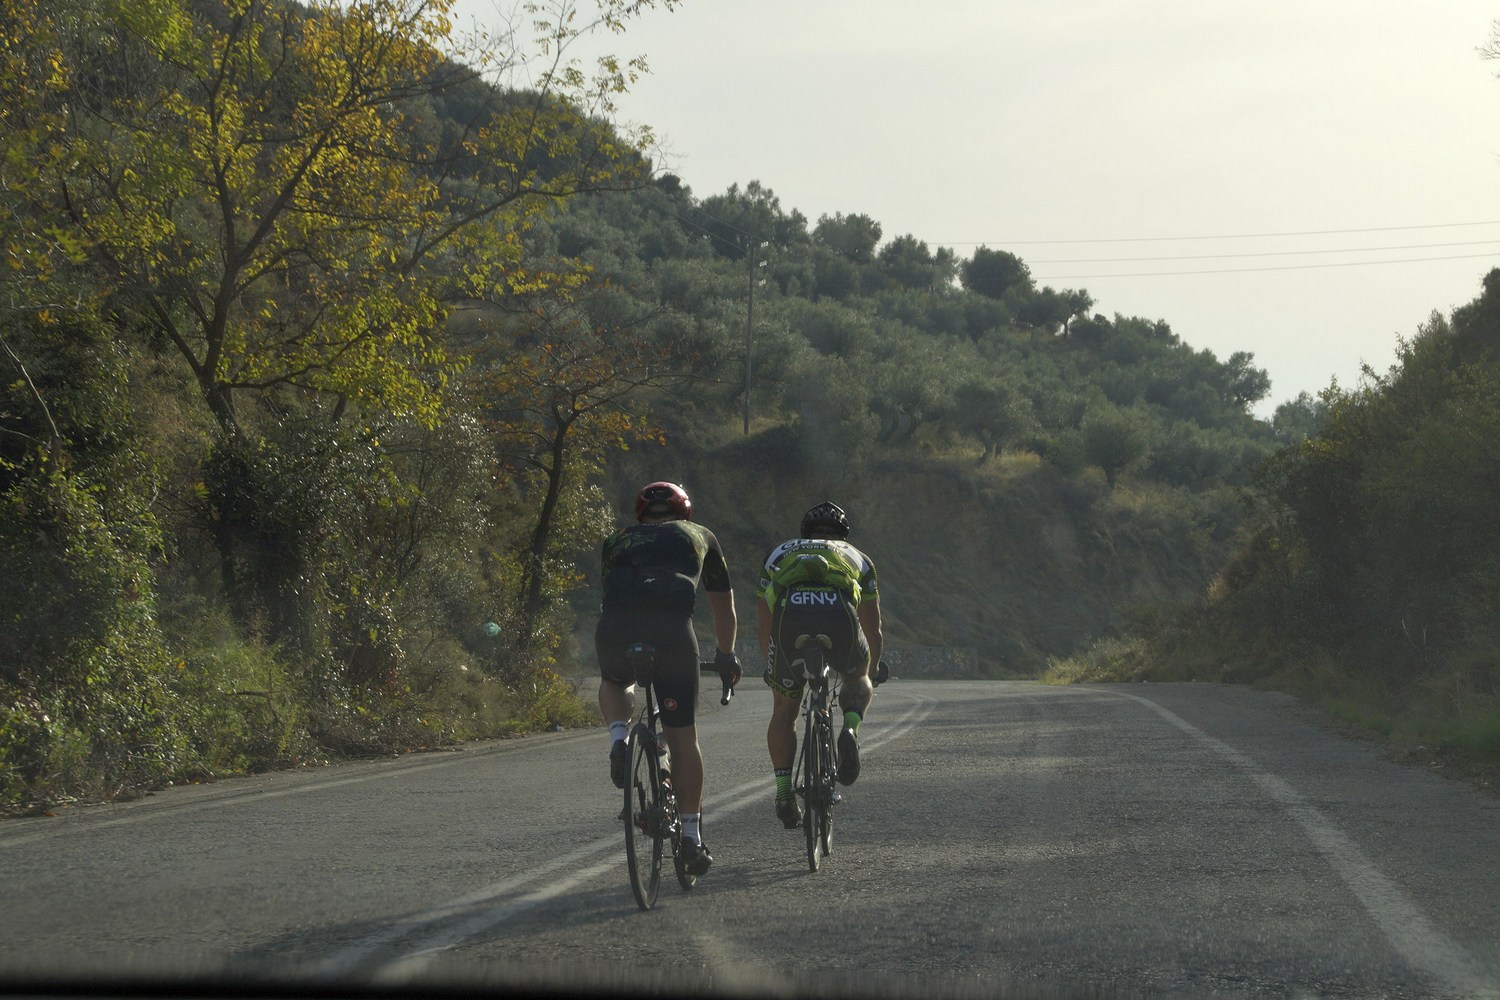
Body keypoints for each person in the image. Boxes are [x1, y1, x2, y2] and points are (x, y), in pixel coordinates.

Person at [595, 481, 741, 876]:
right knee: (682, 736)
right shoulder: (700, 536)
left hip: (616, 628)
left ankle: (617, 738)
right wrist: (725, 655)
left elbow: (608, 594)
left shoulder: (616, 539)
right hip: (673, 633)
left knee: (614, 681)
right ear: (686, 512)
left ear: (641, 514)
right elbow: (722, 607)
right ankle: (691, 837)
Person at [756, 500, 882, 830]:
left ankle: (784, 794)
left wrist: (774, 668)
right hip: (838, 614)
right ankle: (850, 727)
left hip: (789, 617)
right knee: (857, 677)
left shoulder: (779, 553)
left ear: (804, 532)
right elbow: (873, 627)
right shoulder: (858, 558)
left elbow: (763, 621)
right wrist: (869, 670)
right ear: (843, 534)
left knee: (784, 710)